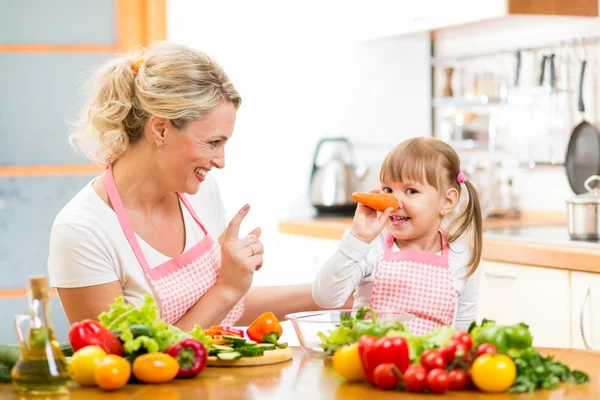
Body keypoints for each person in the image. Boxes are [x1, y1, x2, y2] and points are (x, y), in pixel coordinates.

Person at [48, 41, 326, 331]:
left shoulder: (203, 194)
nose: (221, 161)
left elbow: (222, 312)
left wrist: (330, 292)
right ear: (161, 129)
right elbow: (118, 366)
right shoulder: (81, 231)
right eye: (212, 143)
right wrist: (227, 289)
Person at [312, 137, 483, 334]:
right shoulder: (371, 247)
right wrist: (357, 239)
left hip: (429, 364)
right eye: (388, 189)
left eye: (411, 191)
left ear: (447, 201)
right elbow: (324, 298)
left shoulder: (464, 257)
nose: (394, 202)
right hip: (373, 361)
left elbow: (464, 329)